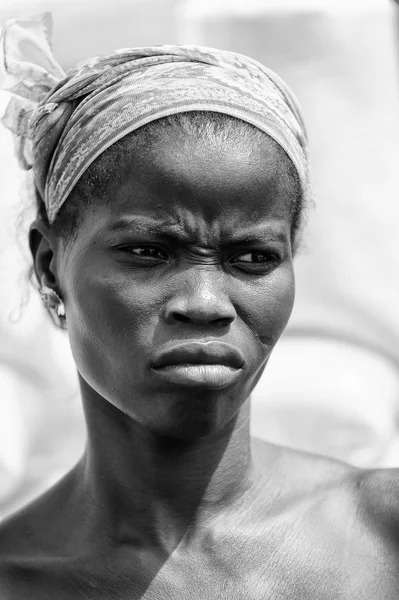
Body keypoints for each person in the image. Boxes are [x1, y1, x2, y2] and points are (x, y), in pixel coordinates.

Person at [0, 11, 398, 600]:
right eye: (148, 251)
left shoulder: (382, 533)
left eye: (253, 259)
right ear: (49, 265)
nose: (206, 303)